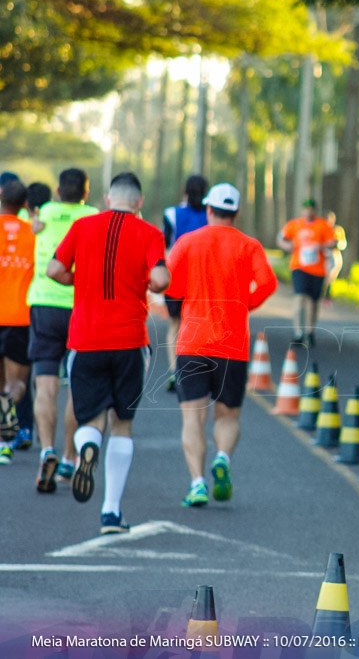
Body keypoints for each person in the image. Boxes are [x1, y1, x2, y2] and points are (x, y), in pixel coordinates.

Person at [47, 173, 169, 534]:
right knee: (123, 423)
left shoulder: (84, 226)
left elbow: (55, 269)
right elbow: (161, 281)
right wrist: (145, 281)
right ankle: (111, 512)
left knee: (91, 419)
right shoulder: (149, 234)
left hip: (85, 340)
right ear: (139, 202)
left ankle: (87, 449)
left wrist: (78, 280)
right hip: (129, 341)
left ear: (106, 197)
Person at [165, 183, 277, 507]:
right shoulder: (249, 245)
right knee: (227, 416)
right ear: (237, 213)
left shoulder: (188, 241)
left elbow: (169, 283)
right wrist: (246, 304)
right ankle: (223, 458)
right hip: (233, 344)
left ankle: (197, 483)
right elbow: (268, 282)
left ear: (209, 210)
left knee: (192, 418)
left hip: (192, 342)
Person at [28, 168, 99, 487]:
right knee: (75, 384)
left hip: (43, 303)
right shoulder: (94, 217)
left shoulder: (43, 213)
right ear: (86, 192)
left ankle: (47, 451)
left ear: (57, 190)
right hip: (80, 306)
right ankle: (69, 457)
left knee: (45, 383)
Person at [162, 175, 209, 392]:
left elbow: (164, 245)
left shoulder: (172, 214)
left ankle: (175, 373)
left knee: (175, 325)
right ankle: (195, 371)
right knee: (198, 324)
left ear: (185, 191)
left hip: (175, 278)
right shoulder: (210, 215)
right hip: (202, 279)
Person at [0, 180, 33, 467]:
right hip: (20, 318)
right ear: (25, 204)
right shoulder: (34, 233)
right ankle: (5, 440)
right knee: (16, 383)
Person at [276, 199, 336, 346]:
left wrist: (320, 245)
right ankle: (298, 332)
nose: (308, 212)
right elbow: (281, 238)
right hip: (299, 266)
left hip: (317, 269)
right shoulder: (295, 224)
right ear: (302, 211)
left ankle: (310, 331)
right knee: (299, 296)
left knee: (313, 301)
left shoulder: (323, 225)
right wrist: (287, 245)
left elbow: (333, 242)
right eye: (306, 209)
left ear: (315, 210)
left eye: (311, 209)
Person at [321, 210, 347, 305]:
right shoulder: (322, 230)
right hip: (325, 256)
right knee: (325, 276)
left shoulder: (337, 230)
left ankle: (327, 296)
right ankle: (324, 296)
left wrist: (337, 244)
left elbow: (343, 243)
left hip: (335, 256)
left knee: (331, 277)